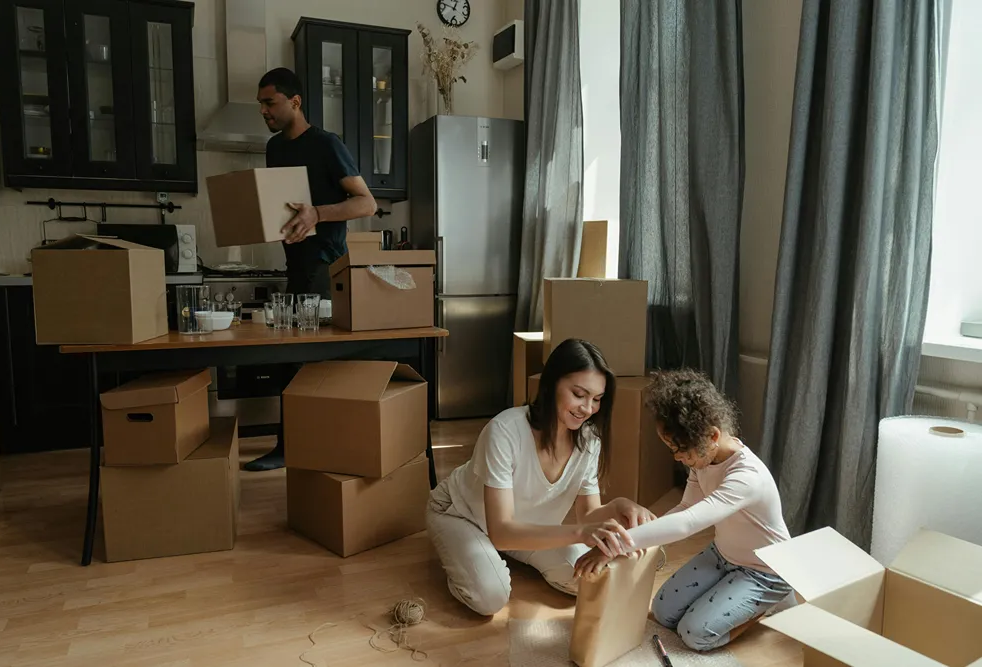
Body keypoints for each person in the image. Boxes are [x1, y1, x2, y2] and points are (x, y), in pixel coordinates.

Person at [426, 338, 655, 616]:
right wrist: (581, 533)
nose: (588, 408)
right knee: (490, 597)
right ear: (552, 384)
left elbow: (587, 516)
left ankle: (501, 554)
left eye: (597, 399)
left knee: (589, 577)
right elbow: (501, 532)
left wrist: (618, 506)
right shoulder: (505, 430)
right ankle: (465, 559)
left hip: (520, 526)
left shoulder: (588, 440)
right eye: (579, 394)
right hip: (461, 514)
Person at [574, 368, 794, 652]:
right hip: (723, 555)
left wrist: (614, 547)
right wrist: (634, 541)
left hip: (765, 570)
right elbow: (685, 508)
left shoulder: (746, 477)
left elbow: (687, 523)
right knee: (664, 612)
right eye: (671, 449)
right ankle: (731, 591)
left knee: (696, 634)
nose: (678, 457)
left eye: (682, 449)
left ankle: (769, 602)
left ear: (712, 435)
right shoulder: (702, 462)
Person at [244, 67, 378, 472]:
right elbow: (283, 206)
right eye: (261, 104)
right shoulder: (274, 148)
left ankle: (304, 448)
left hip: (325, 268)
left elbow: (366, 203)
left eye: (270, 102)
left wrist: (317, 213)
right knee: (291, 360)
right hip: (296, 266)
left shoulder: (326, 144)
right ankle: (293, 446)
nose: (264, 111)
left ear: (295, 101)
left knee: (309, 363)